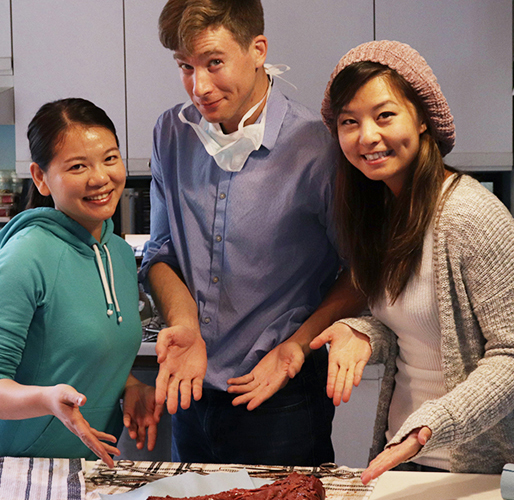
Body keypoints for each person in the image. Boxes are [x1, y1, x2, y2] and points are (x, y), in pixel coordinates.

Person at [140, 0, 365, 465]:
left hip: (283, 397)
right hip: (191, 387)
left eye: (213, 63)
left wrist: (295, 346)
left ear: (258, 49)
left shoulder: (318, 145)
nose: (199, 87)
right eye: (185, 67)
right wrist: (184, 324)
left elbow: (361, 271)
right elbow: (160, 252)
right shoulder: (170, 134)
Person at [311, 41, 514, 482]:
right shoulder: (380, 215)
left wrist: (428, 428)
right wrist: (359, 331)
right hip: (405, 463)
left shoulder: (471, 215)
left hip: (478, 471)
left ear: (421, 118)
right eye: (349, 122)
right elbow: (414, 330)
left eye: (384, 115)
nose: (367, 136)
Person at [0, 98, 157, 465]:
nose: (100, 177)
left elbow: (80, 354)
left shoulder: (117, 252)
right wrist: (47, 400)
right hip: (12, 468)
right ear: (40, 177)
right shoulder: (23, 258)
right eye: (78, 166)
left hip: (83, 469)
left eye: (110, 158)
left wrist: (130, 386)